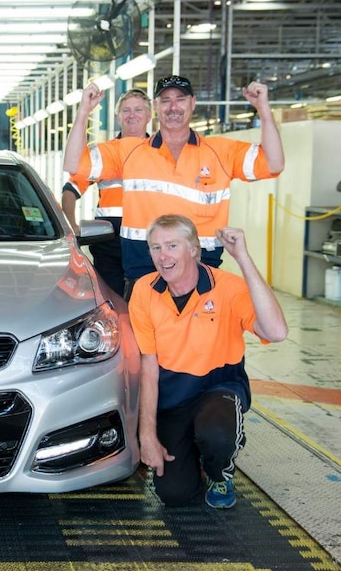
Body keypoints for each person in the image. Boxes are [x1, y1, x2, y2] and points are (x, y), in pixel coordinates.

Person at [64, 75, 285, 300]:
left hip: (201, 273)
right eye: (166, 100)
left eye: (180, 99)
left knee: (198, 335)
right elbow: (74, 164)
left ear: (193, 103)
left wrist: (263, 109)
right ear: (157, 106)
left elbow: (273, 164)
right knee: (142, 335)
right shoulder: (129, 150)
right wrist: (83, 112)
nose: (173, 107)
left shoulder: (220, 151)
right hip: (145, 274)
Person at [129, 214, 287, 509]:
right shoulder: (144, 290)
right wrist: (147, 435)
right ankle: (195, 452)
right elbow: (148, 366)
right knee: (174, 494)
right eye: (155, 248)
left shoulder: (228, 287)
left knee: (215, 431)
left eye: (172, 246)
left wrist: (243, 259)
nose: (163, 256)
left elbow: (276, 332)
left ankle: (219, 473)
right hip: (173, 399)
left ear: (193, 250)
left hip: (218, 388)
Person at [61, 88, 153, 297]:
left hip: (148, 243)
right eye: (126, 110)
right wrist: (71, 225)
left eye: (138, 109)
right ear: (118, 116)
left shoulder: (161, 152)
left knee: (146, 304)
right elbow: (70, 190)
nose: (132, 115)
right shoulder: (104, 153)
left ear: (149, 115)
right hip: (109, 242)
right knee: (111, 302)